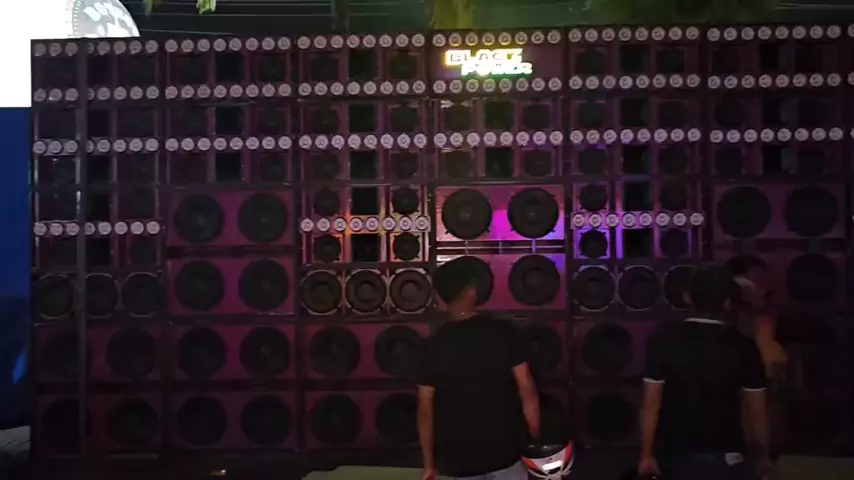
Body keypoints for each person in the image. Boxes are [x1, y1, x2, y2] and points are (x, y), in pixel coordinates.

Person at [638, 264, 775, 480]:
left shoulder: (663, 340)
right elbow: (757, 410)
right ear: (727, 301)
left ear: (688, 297)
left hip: (676, 454)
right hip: (729, 456)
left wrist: (646, 454)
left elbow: (651, 404)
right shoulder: (744, 346)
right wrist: (763, 457)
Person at [416, 257, 540, 480]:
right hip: (505, 453)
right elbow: (526, 387)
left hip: (458, 462)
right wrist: (535, 435)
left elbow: (425, 410)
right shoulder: (503, 332)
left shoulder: (432, 345)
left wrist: (429, 464)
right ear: (471, 292)